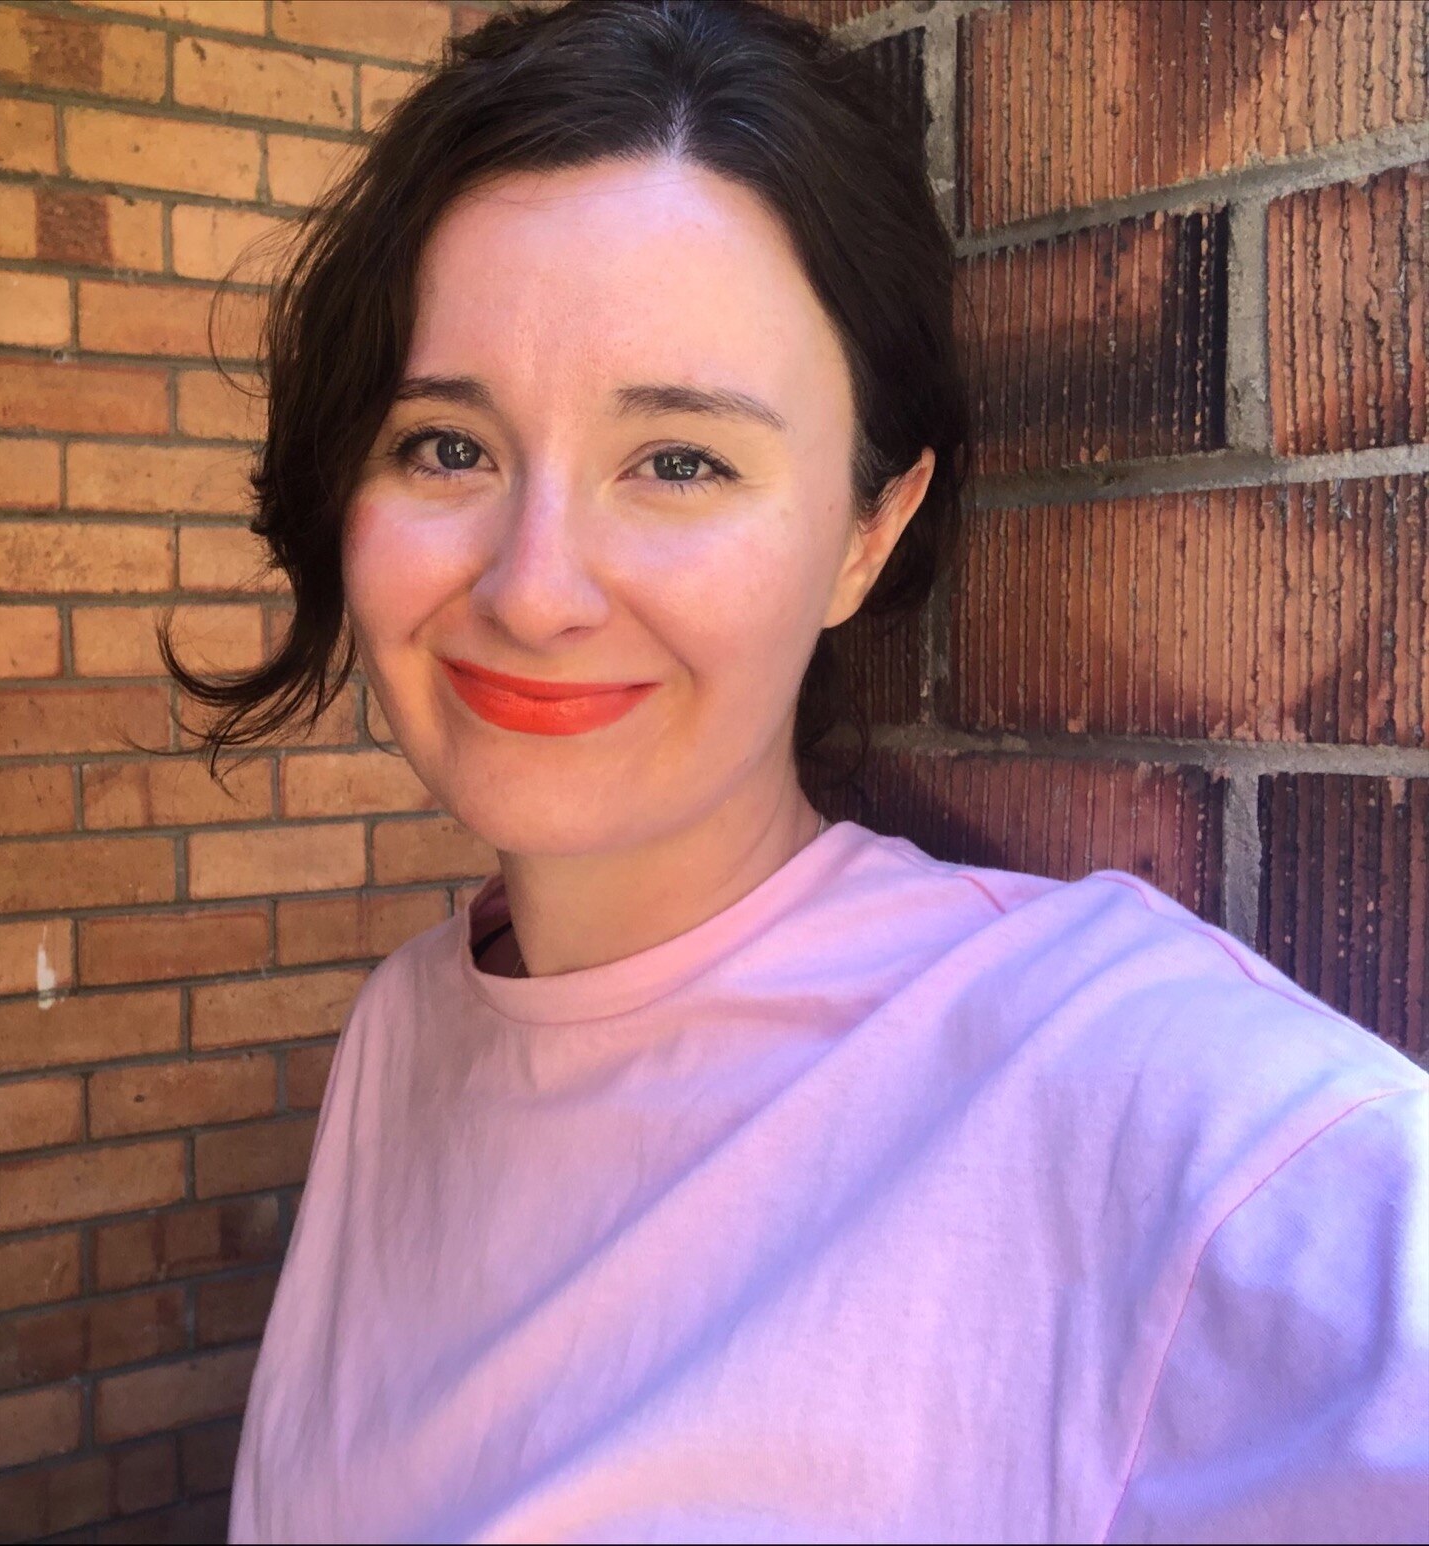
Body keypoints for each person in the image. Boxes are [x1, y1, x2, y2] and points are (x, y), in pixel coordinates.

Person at [162, 2, 1429, 1539]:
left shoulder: (1109, 1081)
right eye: (445, 445)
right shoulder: (402, 1035)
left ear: (865, 529)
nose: (533, 587)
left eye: (680, 460)